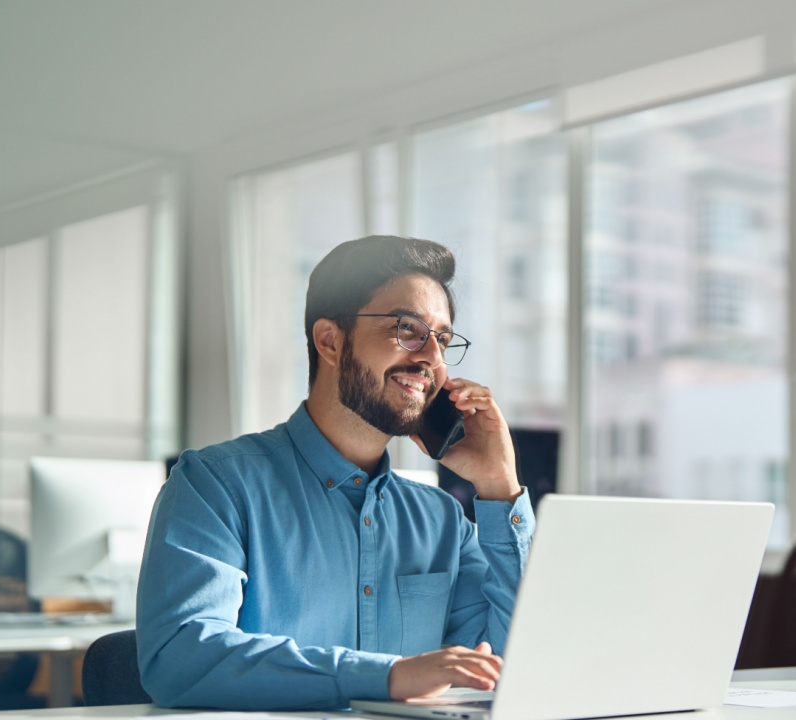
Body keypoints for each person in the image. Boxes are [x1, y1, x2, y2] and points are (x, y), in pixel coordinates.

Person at [136, 235, 534, 710]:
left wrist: (499, 486)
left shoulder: (443, 520)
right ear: (329, 340)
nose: (432, 358)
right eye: (408, 329)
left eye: (443, 339)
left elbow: (517, 664)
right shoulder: (215, 484)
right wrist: (386, 675)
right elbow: (180, 656)